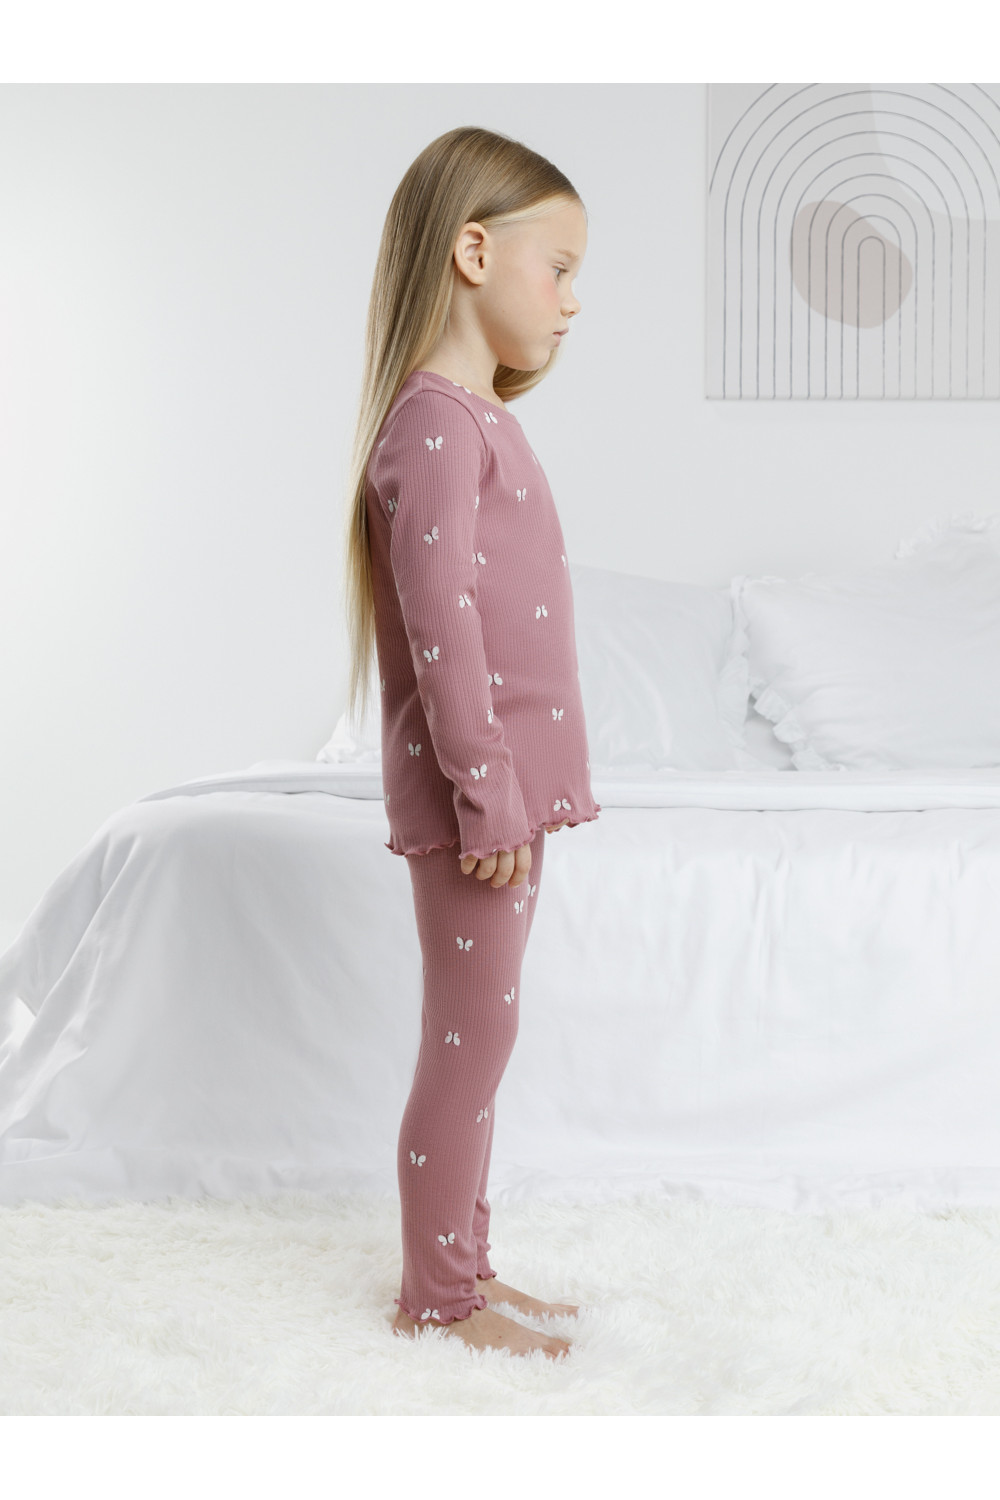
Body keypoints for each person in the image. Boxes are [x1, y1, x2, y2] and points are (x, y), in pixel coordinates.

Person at [342, 126, 600, 1361]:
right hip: (477, 801)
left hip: (508, 794)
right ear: (474, 252)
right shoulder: (434, 425)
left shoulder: (468, 418)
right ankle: (437, 1298)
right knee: (468, 1040)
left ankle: (469, 1266)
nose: (570, 301)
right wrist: (486, 791)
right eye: (560, 269)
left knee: (482, 1035)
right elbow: (440, 622)